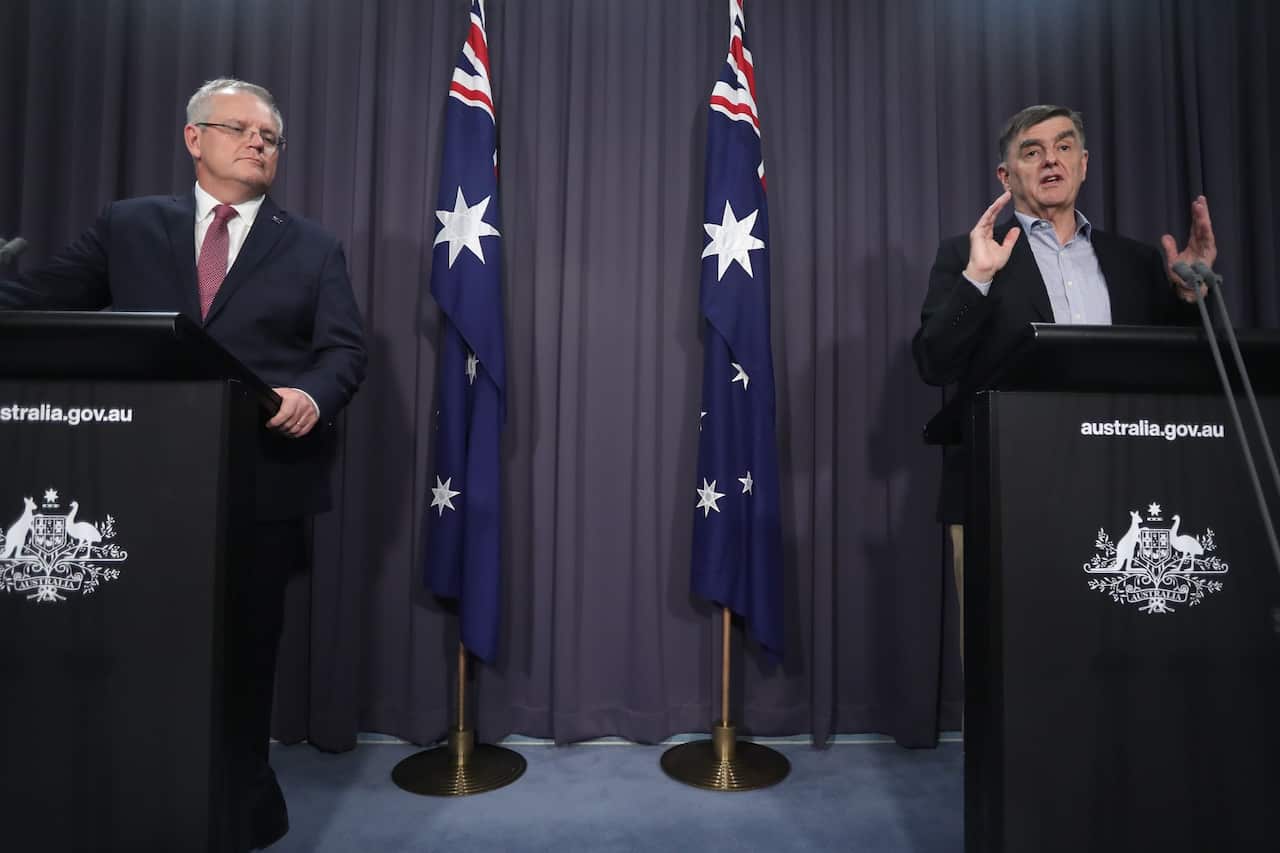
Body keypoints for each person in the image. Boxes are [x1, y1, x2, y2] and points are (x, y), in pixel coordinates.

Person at [0, 78, 367, 850]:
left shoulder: (313, 246)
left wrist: (311, 393)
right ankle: (133, 791)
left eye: (269, 135)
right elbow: (42, 299)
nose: (258, 141)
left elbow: (344, 352)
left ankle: (240, 809)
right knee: (138, 651)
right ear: (194, 138)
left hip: (259, 484)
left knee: (244, 655)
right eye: (239, 128)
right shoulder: (129, 227)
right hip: (135, 484)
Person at [912, 104, 1216, 654]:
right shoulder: (968, 254)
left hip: (1118, 492)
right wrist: (977, 280)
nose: (1051, 159)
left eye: (1064, 145)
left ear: (1083, 164)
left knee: (1108, 656)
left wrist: (1191, 300)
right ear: (1007, 176)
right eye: (1032, 150)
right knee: (1005, 659)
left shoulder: (1138, 262)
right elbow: (934, 363)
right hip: (1001, 491)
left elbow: (1189, 371)